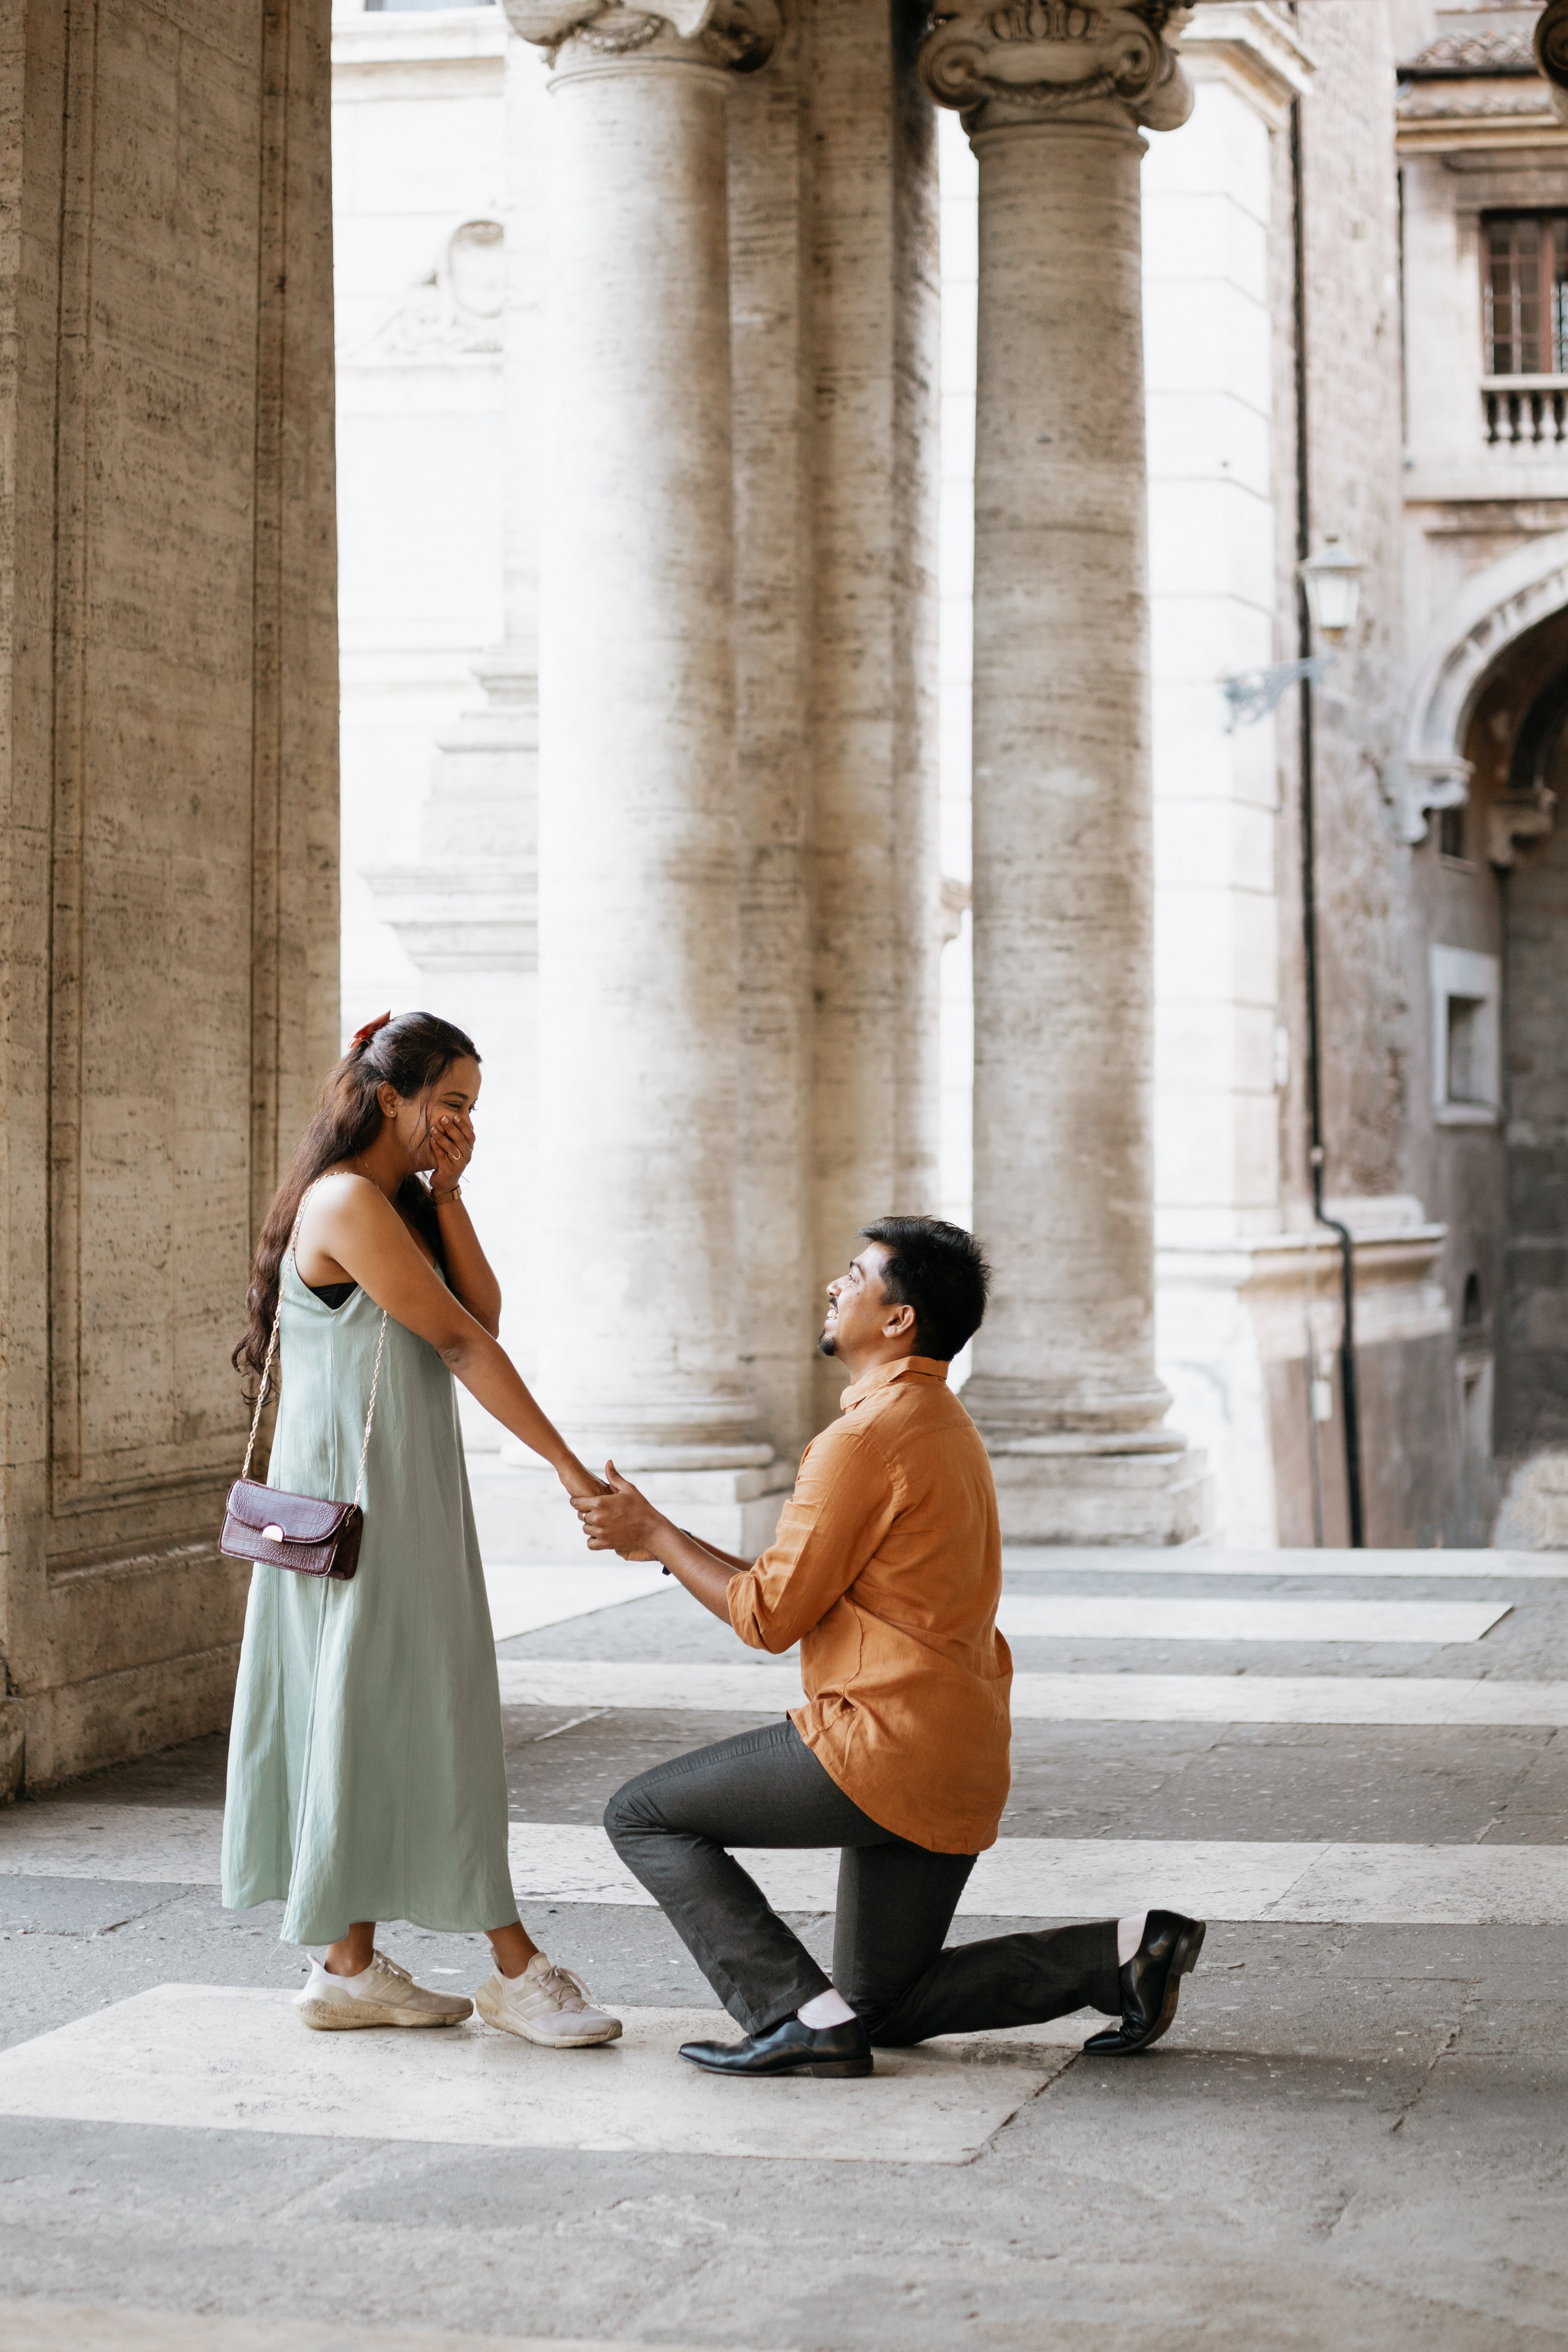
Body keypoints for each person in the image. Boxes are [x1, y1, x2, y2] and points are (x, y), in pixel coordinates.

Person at [575, 1215, 1205, 2078]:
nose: (835, 1287)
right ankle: (1120, 1955)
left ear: (899, 1318)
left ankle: (792, 2017)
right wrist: (661, 1536)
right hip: (957, 1747)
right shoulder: (940, 1423)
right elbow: (792, 1586)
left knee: (641, 1814)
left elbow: (766, 1617)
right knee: (885, 2005)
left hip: (883, 1744)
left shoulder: (863, 1441)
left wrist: (653, 1529)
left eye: (855, 1274)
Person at [222, 1009, 619, 2048]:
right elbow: (456, 1341)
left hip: (393, 1495)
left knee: (376, 1708)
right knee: (430, 1706)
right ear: (388, 1096)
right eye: (450, 1103)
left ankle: (348, 1969)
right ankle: (515, 1966)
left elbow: (481, 1312)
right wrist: (572, 1472)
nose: (461, 1122)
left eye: (473, 1109)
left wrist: (449, 1191)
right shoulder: (348, 1200)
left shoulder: (392, 1199)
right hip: (362, 1509)